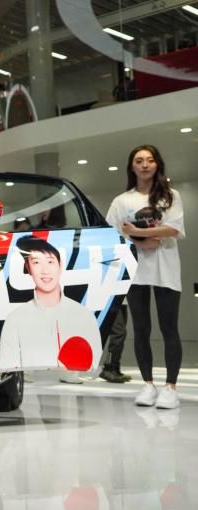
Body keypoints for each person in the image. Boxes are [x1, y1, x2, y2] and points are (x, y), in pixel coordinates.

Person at [106, 145, 185, 409]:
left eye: (150, 160)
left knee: (169, 328)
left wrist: (138, 232)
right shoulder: (122, 201)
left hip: (166, 268)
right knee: (141, 329)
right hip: (135, 270)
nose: (145, 165)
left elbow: (173, 230)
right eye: (139, 160)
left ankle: (170, 388)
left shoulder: (171, 197)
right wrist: (143, 241)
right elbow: (112, 234)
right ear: (132, 166)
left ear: (157, 164)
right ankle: (148, 385)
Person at [0, 236, 102, 373]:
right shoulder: (15, 319)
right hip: (30, 386)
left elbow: (93, 364)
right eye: (36, 263)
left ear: (60, 265)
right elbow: (6, 369)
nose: (45, 270)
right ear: (28, 268)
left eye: (50, 261)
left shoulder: (84, 316)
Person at [98, 302, 131, 383]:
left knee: (119, 333)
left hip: (123, 302)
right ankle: (109, 369)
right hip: (114, 299)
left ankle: (115, 369)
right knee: (118, 333)